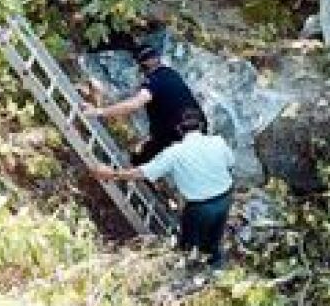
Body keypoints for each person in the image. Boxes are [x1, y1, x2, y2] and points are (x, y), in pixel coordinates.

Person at [91, 108, 235, 267]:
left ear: (179, 129)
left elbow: (144, 172)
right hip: (225, 198)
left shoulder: (174, 153)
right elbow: (230, 163)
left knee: (189, 246)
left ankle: (192, 272)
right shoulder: (217, 141)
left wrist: (113, 174)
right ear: (201, 125)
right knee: (213, 239)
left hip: (200, 207)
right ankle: (216, 266)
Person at [82, 44, 204, 164]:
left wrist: (99, 112)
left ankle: (126, 172)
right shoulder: (170, 73)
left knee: (140, 161)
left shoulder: (155, 80)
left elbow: (134, 104)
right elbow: (171, 108)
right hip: (197, 128)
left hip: (180, 133)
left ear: (142, 65)